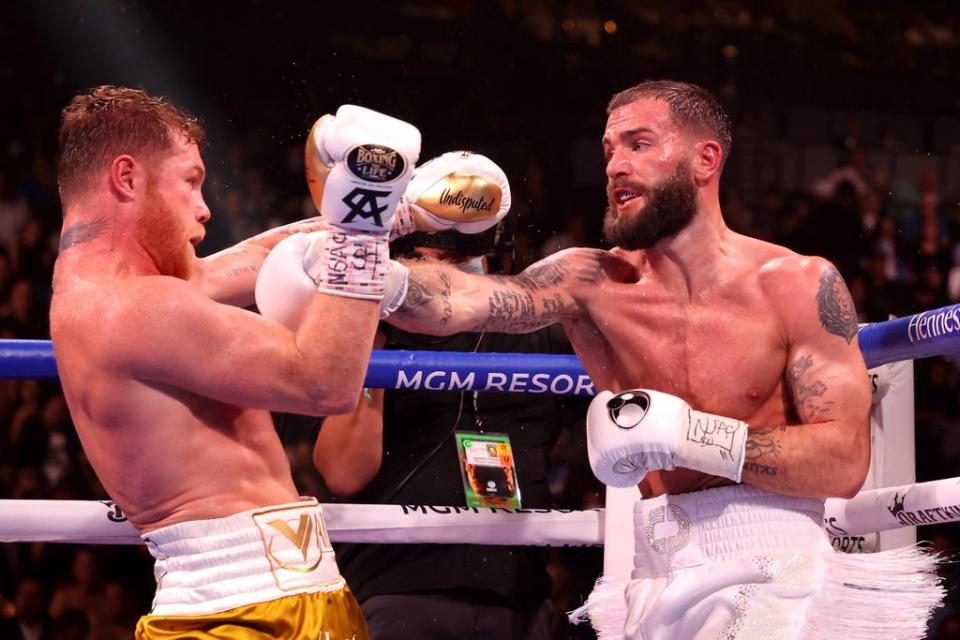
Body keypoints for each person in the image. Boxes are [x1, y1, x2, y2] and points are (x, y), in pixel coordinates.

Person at [381, 80, 944, 638]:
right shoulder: (589, 281)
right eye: (608, 150)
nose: (615, 166)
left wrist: (692, 436)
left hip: (774, 565)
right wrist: (358, 238)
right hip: (652, 573)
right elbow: (449, 304)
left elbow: (843, 460)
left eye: (638, 144)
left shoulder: (797, 284)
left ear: (705, 159)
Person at [50, 86, 424, 638]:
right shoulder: (130, 308)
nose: (204, 207)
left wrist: (398, 212)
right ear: (127, 178)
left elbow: (248, 261)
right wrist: (361, 227)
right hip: (237, 614)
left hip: (280, 596)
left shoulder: (114, 292)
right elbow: (325, 381)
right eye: (190, 181)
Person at [313, 227, 587, 639]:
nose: (447, 276)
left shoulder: (542, 331)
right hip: (398, 586)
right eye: (432, 260)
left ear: (499, 259)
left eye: (459, 260)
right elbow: (342, 471)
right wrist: (375, 329)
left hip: (517, 595)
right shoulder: (384, 328)